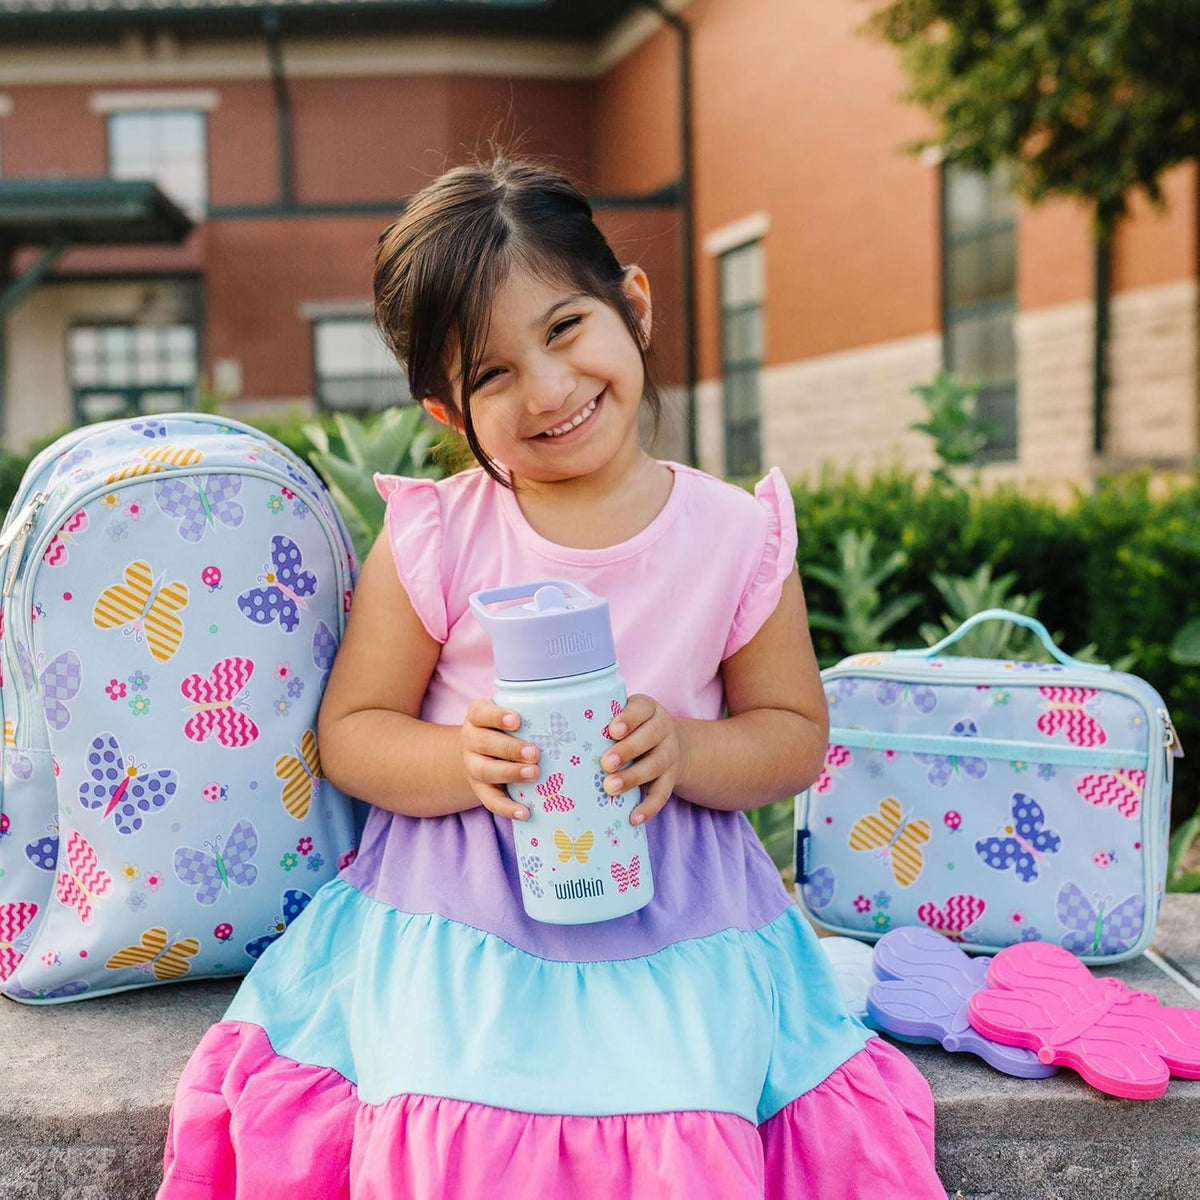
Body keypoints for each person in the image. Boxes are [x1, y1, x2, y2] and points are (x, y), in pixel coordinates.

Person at [158, 155, 944, 1199]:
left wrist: (691, 745)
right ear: (447, 411)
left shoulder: (733, 536)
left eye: (566, 329)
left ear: (634, 305)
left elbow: (795, 731)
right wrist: (459, 759)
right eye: (491, 374)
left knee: (685, 1107)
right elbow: (353, 731)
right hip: (460, 909)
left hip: (680, 917)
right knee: (458, 1112)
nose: (550, 389)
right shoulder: (440, 538)